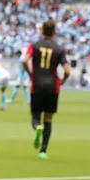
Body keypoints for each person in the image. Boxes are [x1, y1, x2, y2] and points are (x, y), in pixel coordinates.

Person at [23, 20, 71, 159]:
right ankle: (43, 151)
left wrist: (30, 73)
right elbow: (67, 70)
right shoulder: (59, 48)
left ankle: (37, 127)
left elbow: (25, 60)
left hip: (37, 84)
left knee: (35, 116)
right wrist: (62, 81)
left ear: (42, 31)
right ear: (54, 32)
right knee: (48, 119)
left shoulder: (34, 46)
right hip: (52, 86)